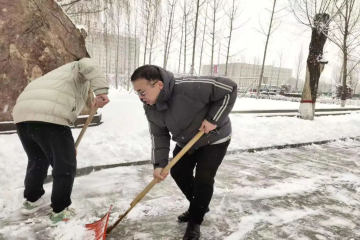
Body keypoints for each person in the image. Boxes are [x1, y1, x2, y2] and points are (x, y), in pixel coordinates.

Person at [131, 65, 237, 240]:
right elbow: (159, 134)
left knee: (204, 178)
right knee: (178, 171)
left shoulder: (189, 87)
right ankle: (200, 205)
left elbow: (229, 88)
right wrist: (159, 165)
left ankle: (195, 220)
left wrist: (213, 119)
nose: (141, 98)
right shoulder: (150, 105)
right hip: (187, 140)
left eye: (142, 92)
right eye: (137, 93)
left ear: (158, 85)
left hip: (214, 137)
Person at [12, 58, 110, 224]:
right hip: (50, 119)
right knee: (65, 165)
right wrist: (101, 90)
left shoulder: (53, 77)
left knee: (38, 160)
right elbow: (88, 64)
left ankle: (32, 200)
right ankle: (60, 210)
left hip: (23, 117)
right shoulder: (77, 65)